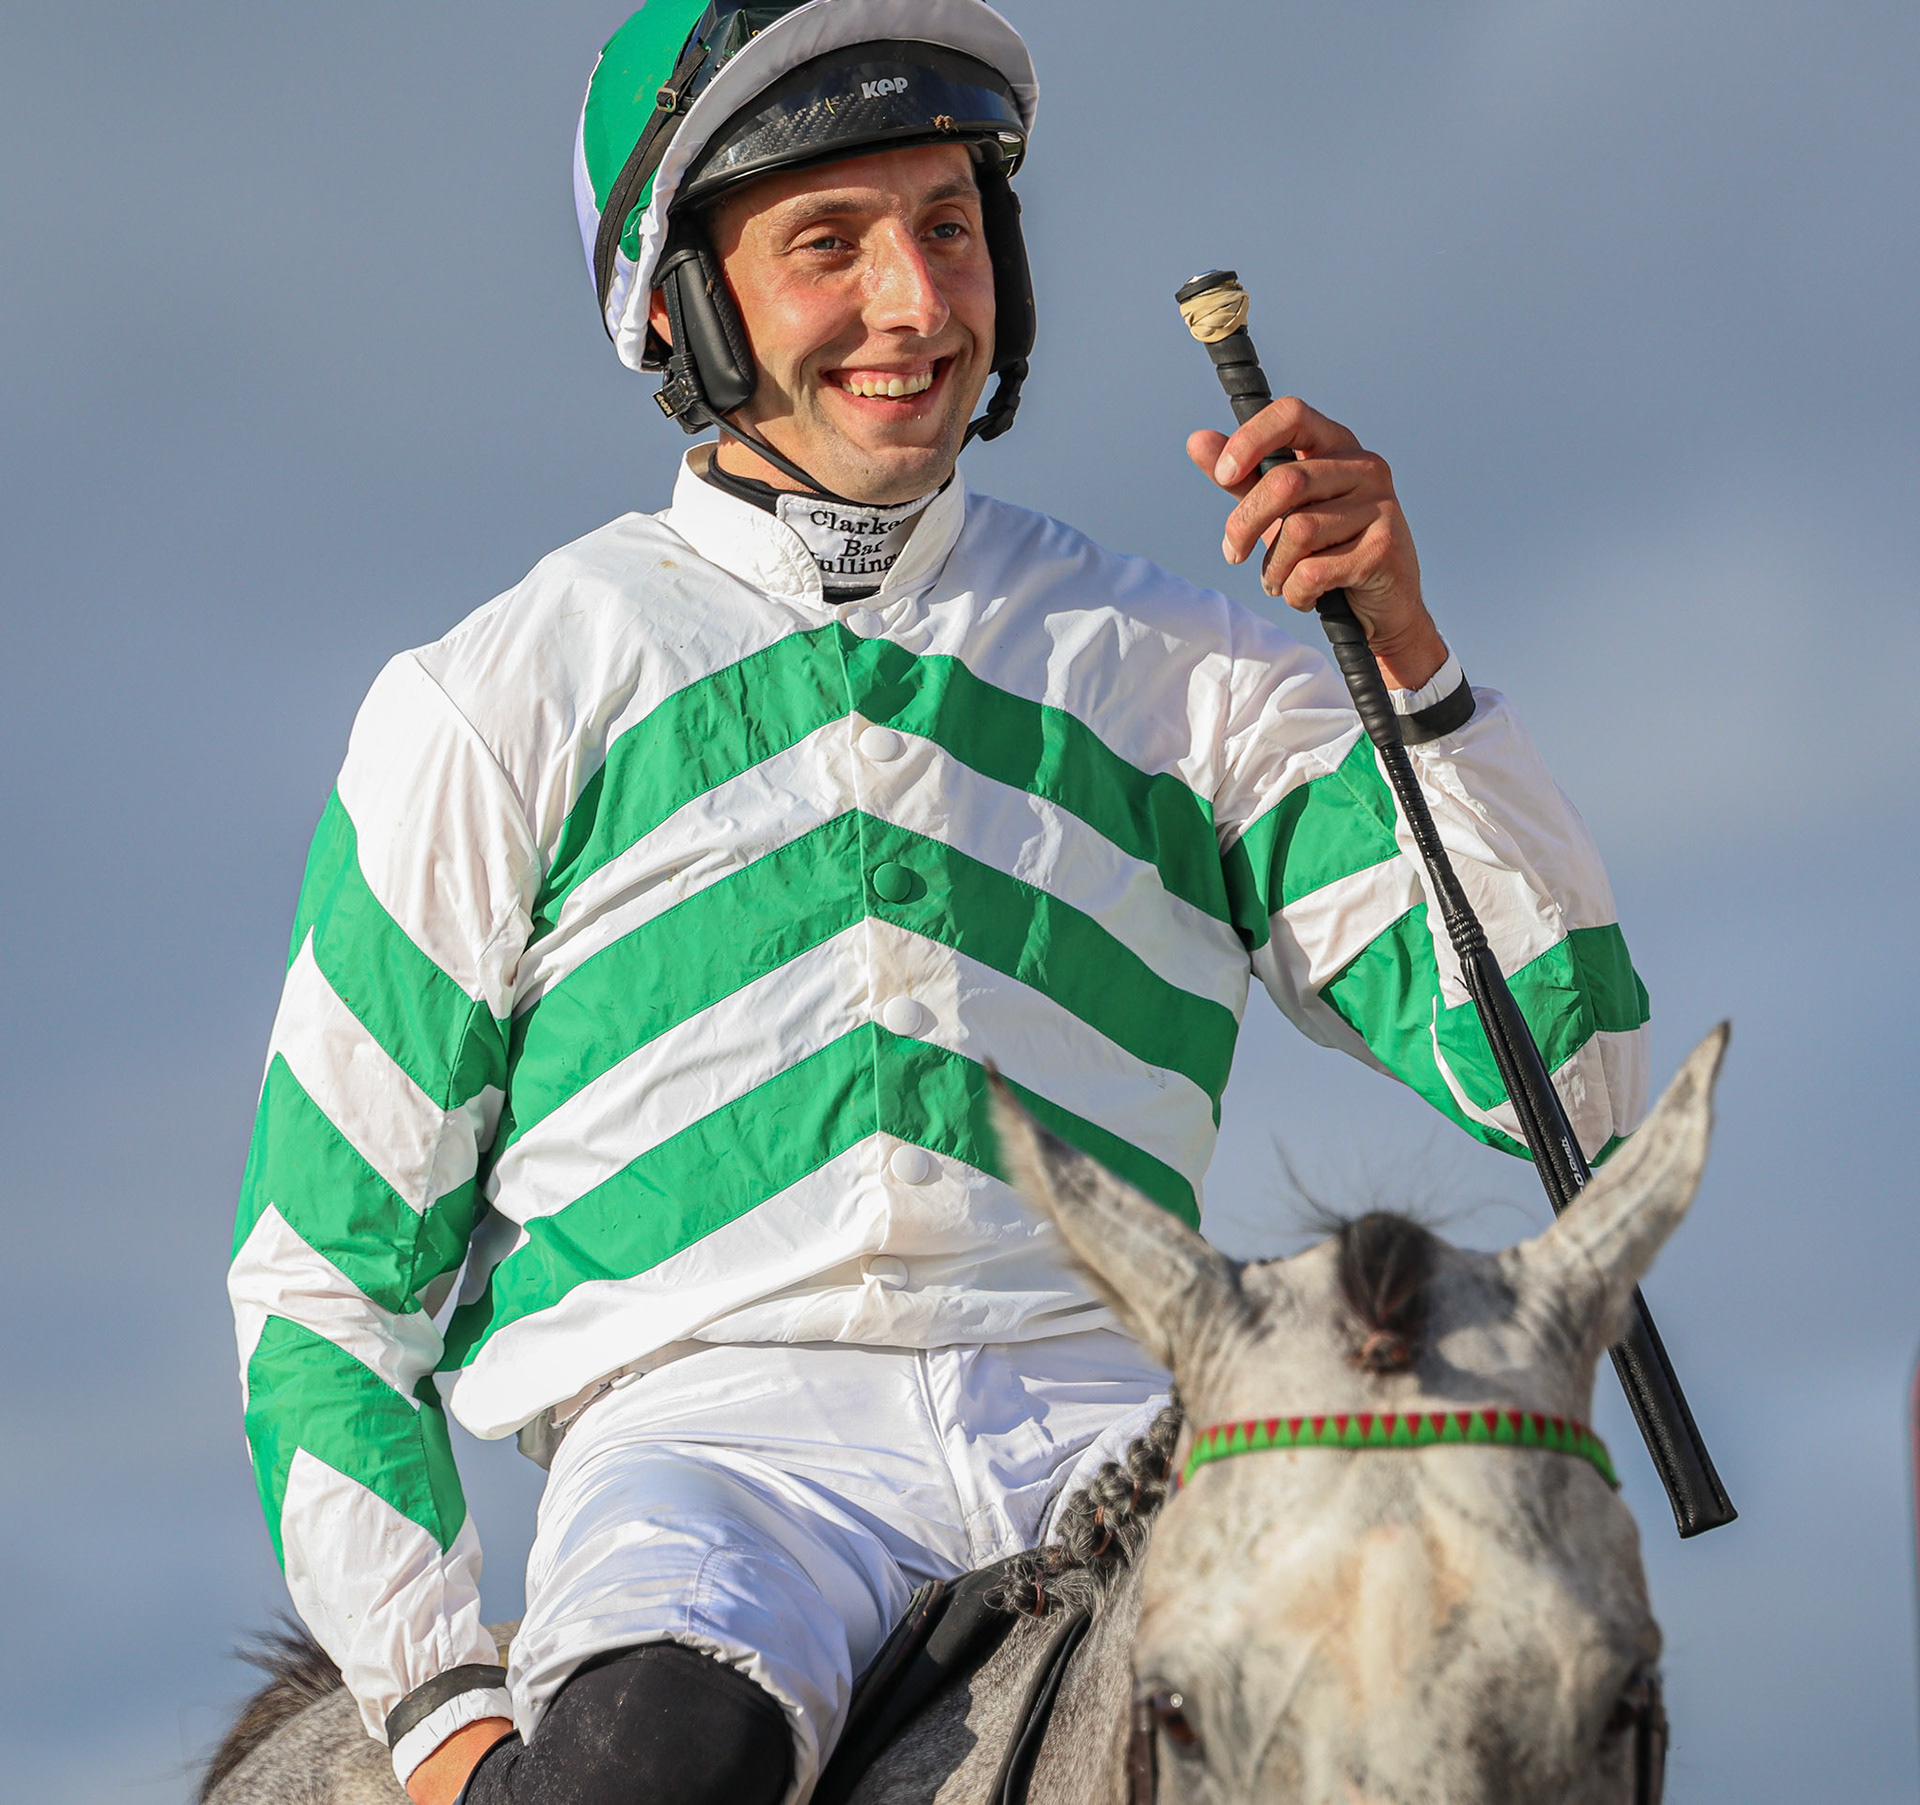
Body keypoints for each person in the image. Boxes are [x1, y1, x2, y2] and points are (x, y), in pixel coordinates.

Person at [226, 3, 1651, 1801]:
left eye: (950, 226)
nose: (914, 303)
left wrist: (1416, 669)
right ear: (678, 307)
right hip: (718, 1475)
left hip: (1123, 1434)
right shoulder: (489, 703)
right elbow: (328, 1282)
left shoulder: (1191, 669)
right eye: (830, 243)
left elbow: (1573, 1080)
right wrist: (442, 1712)